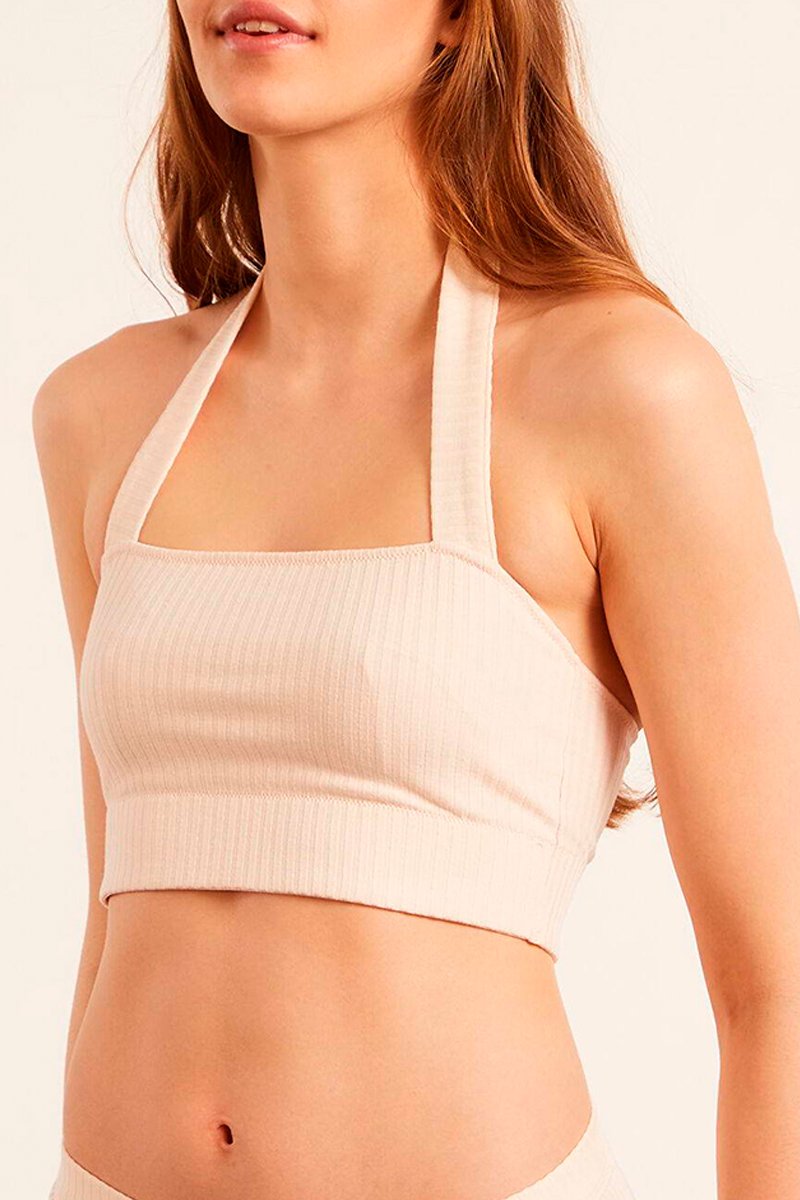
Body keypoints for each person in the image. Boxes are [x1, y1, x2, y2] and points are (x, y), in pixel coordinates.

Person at [33, 1, 800, 1198]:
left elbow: (776, 991)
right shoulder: (99, 412)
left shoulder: (619, 389)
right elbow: (113, 900)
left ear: (456, 16)